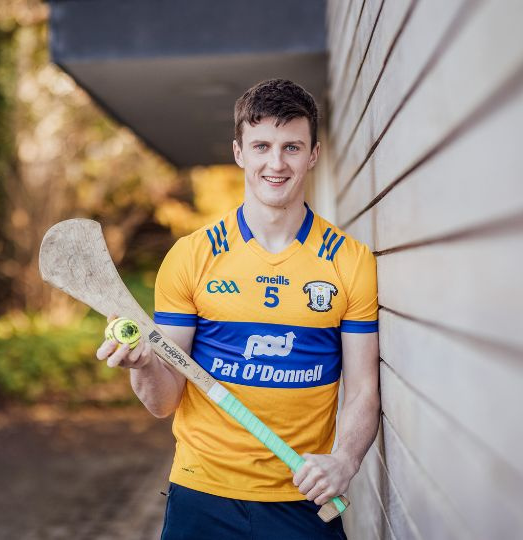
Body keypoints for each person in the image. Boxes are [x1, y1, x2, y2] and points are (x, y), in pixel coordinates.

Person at [96, 79, 379, 539]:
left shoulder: (349, 262)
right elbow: (163, 400)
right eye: (262, 145)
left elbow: (364, 388)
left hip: (301, 497)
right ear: (239, 152)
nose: (276, 162)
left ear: (313, 155)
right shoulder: (192, 256)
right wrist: (144, 363)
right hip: (201, 495)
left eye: (292, 147)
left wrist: (344, 461)